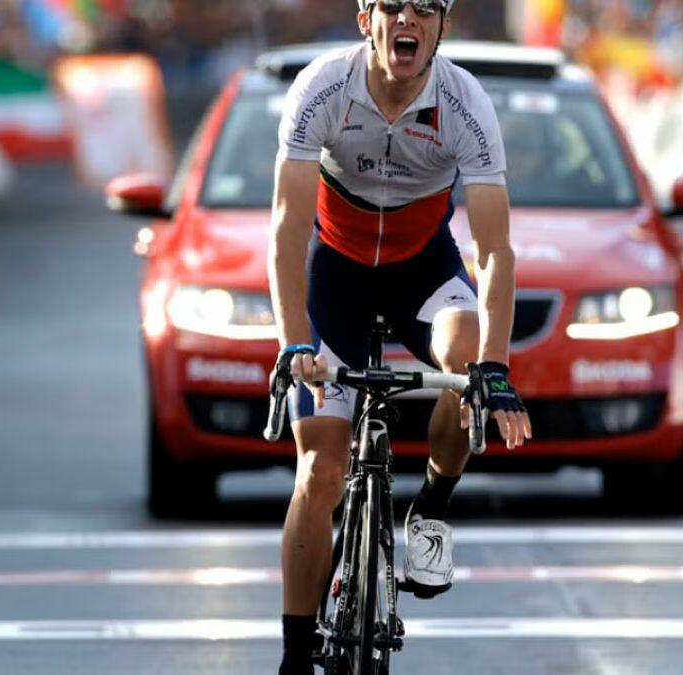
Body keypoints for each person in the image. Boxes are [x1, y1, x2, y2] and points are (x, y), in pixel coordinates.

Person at [268, 1, 532, 672]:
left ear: (442, 27)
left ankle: (432, 504)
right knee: (320, 471)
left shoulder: (465, 102)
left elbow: (494, 251)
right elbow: (288, 228)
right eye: (391, 5)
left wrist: (495, 366)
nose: (406, 19)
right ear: (367, 20)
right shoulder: (323, 87)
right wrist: (295, 342)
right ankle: (296, 655)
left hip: (422, 271)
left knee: (465, 366)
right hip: (335, 276)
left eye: (424, 8)